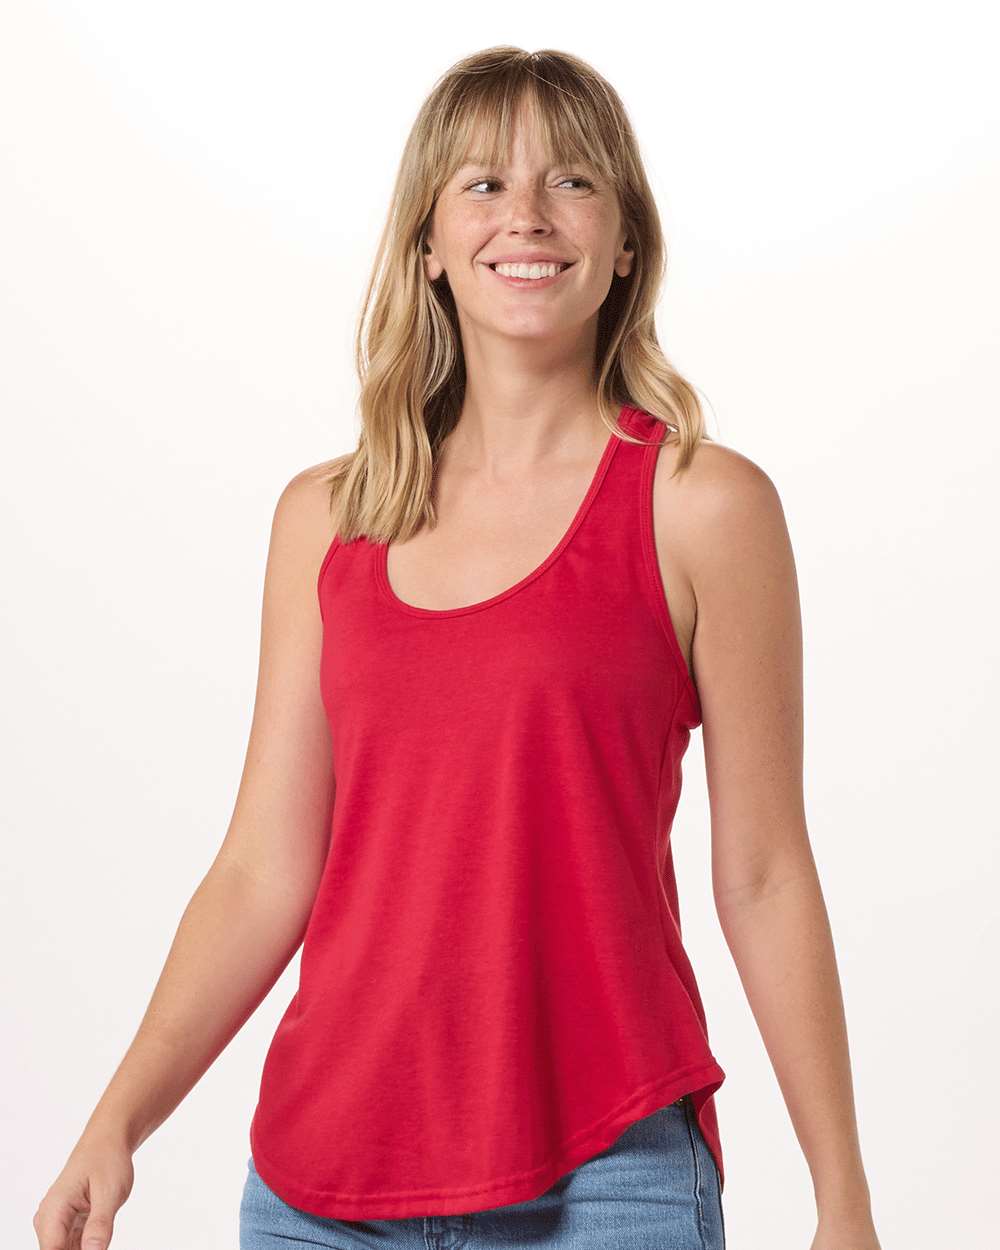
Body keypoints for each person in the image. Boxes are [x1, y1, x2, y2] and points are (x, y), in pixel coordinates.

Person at [34, 46, 882, 1250]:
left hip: (607, 1174)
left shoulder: (701, 507)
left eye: (571, 181)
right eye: (483, 184)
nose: (526, 215)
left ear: (625, 241)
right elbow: (263, 867)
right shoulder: (329, 517)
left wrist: (842, 1197)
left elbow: (763, 872)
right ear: (428, 240)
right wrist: (117, 1118)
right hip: (323, 1189)